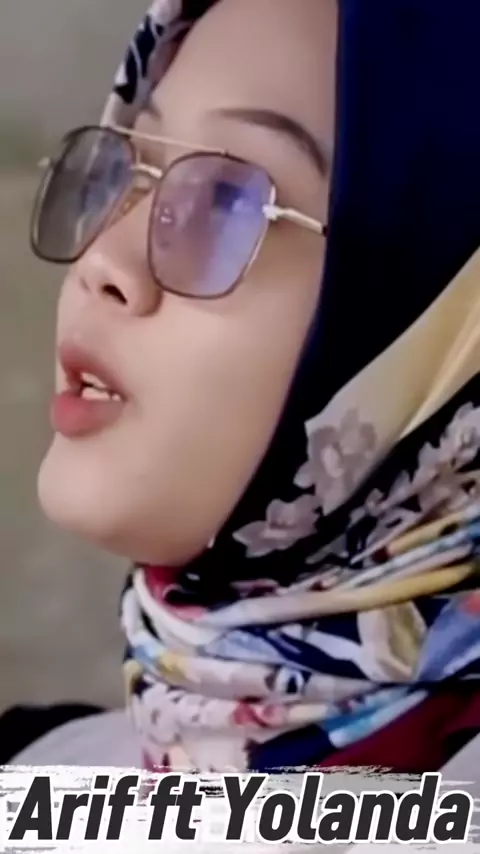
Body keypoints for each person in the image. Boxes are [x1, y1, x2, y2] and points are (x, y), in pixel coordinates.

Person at [5, 0, 480, 772]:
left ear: (436, 339)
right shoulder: (32, 766)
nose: (102, 260)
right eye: (128, 164)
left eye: (225, 200)